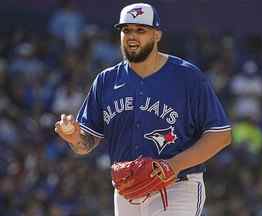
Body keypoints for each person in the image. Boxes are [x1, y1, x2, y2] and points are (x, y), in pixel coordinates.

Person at [55, 3, 232, 216]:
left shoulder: (187, 77)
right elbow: (86, 143)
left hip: (176, 186)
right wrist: (75, 138)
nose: (132, 36)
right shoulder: (106, 81)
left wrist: (173, 165)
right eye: (126, 30)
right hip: (127, 190)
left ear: (157, 34)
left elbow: (221, 135)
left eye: (141, 30)